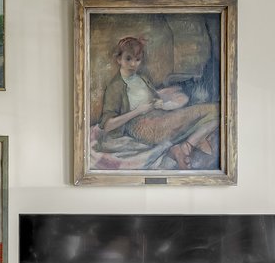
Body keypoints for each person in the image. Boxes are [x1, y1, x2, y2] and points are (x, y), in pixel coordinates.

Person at [93, 36, 220, 170]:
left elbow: (151, 97)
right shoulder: (115, 87)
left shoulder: (141, 78)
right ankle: (187, 146)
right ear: (119, 59)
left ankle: (186, 145)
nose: (133, 64)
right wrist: (138, 111)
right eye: (128, 59)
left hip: (159, 115)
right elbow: (107, 125)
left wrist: (161, 100)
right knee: (214, 111)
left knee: (216, 111)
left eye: (137, 59)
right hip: (144, 127)